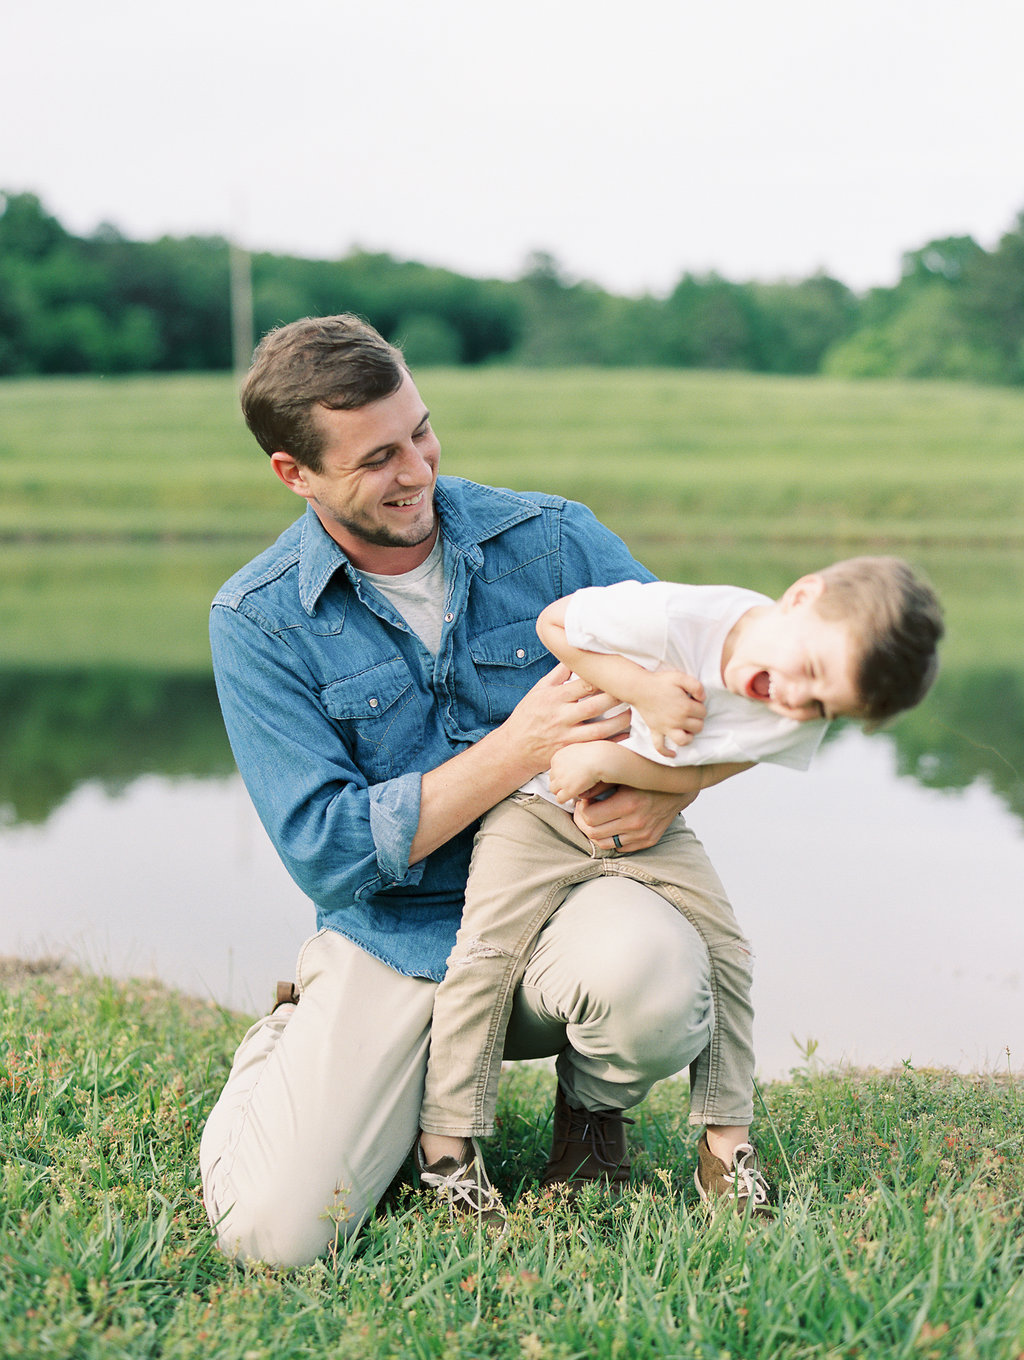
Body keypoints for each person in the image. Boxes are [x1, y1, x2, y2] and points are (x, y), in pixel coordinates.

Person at [200, 313, 743, 1266]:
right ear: (296, 473)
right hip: (398, 938)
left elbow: (708, 691)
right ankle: (305, 1043)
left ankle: (592, 1118)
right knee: (275, 1239)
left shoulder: (556, 538)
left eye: (420, 432)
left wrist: (673, 790)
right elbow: (325, 846)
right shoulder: (258, 620)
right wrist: (518, 746)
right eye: (375, 458)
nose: (415, 469)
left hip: (567, 904)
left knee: (652, 977)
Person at [417, 563, 944, 1219]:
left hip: (647, 823)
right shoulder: (680, 619)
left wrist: (619, 769)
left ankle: (727, 1150)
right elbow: (555, 623)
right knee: (486, 953)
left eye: (820, 707)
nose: (792, 701)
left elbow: (724, 762)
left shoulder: (799, 710)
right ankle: (447, 1149)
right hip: (536, 807)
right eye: (807, 669)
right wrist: (645, 691)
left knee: (726, 949)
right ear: (800, 595)